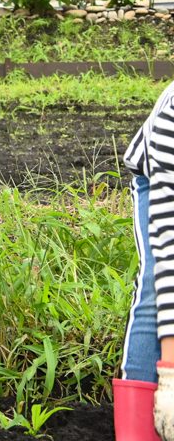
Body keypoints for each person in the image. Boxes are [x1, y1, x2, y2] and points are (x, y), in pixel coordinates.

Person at [117, 80, 174, 441]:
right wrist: (169, 376)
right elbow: (170, 258)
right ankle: (138, 430)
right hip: (163, 180)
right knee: (155, 286)